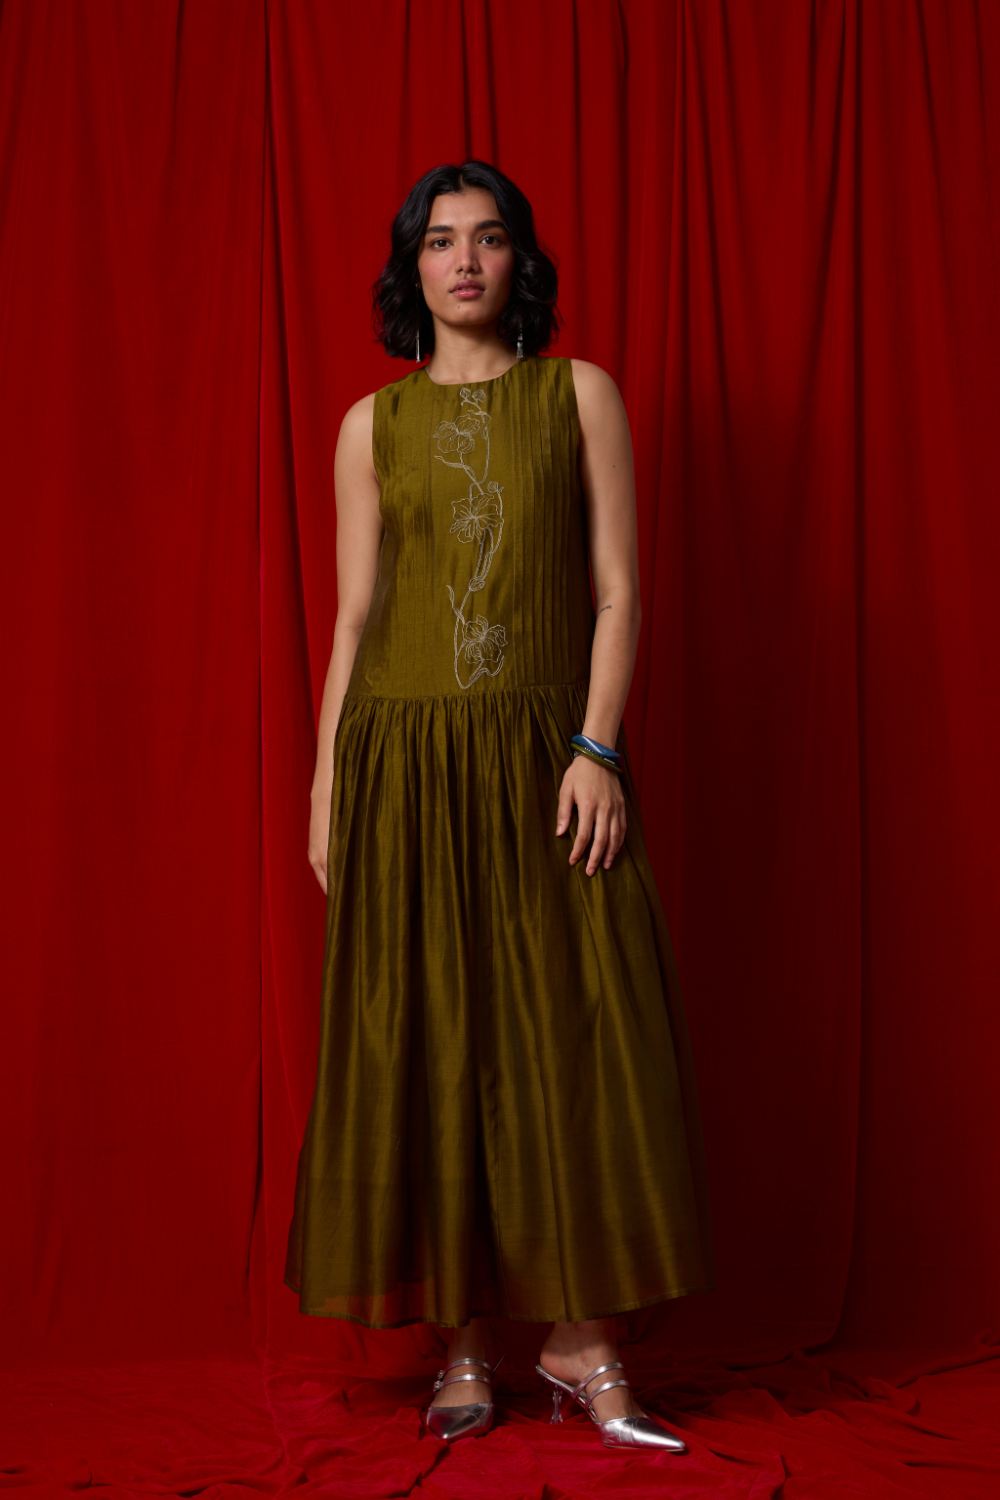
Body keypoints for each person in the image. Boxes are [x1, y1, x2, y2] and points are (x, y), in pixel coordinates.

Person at [285, 161, 714, 1452]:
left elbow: (617, 590)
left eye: (487, 239)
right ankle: (464, 1338)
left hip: (543, 758)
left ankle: (581, 1340)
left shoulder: (580, 396)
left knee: (573, 1036)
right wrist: (328, 783)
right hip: (403, 764)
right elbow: (354, 617)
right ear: (410, 267)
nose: (464, 261)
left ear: (521, 261)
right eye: (439, 241)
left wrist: (596, 747)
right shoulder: (369, 427)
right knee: (432, 1038)